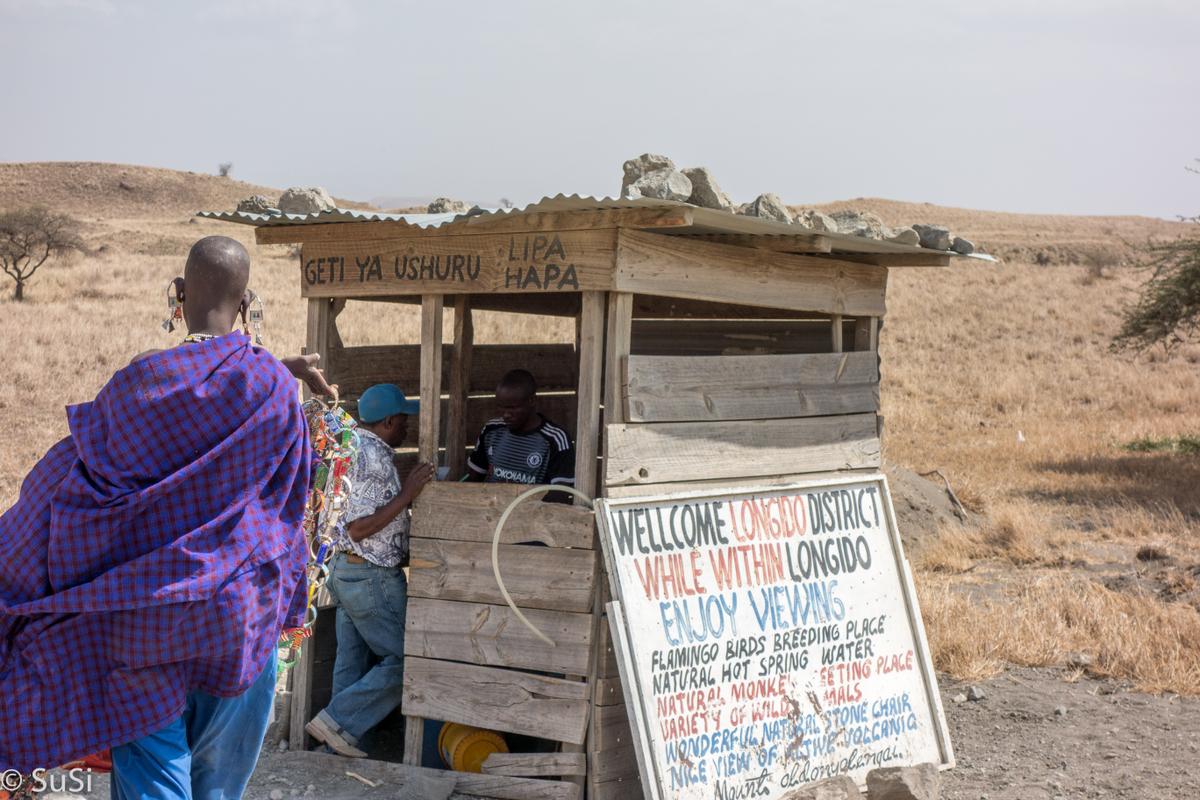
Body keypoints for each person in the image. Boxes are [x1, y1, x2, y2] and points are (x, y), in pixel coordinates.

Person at [0, 236, 329, 799]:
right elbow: (290, 499)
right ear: (247, 302)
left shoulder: (141, 383)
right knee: (218, 786)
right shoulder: (273, 385)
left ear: (177, 296)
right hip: (237, 618)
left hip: (143, 622)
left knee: (156, 778)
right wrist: (276, 367)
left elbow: (75, 483)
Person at [305, 384, 436, 758]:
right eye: (404, 420)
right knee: (408, 659)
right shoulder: (373, 458)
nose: (407, 428)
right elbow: (359, 527)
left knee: (351, 662)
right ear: (390, 420)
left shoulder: (352, 447)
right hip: (369, 574)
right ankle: (337, 721)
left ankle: (333, 749)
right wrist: (407, 493)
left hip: (346, 572)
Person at [466, 369, 575, 501]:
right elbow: (473, 479)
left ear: (532, 400)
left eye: (513, 408)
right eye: (501, 407)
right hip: (492, 515)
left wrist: (518, 493)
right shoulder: (491, 430)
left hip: (536, 518)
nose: (506, 414)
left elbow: (562, 494)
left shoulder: (555, 439)